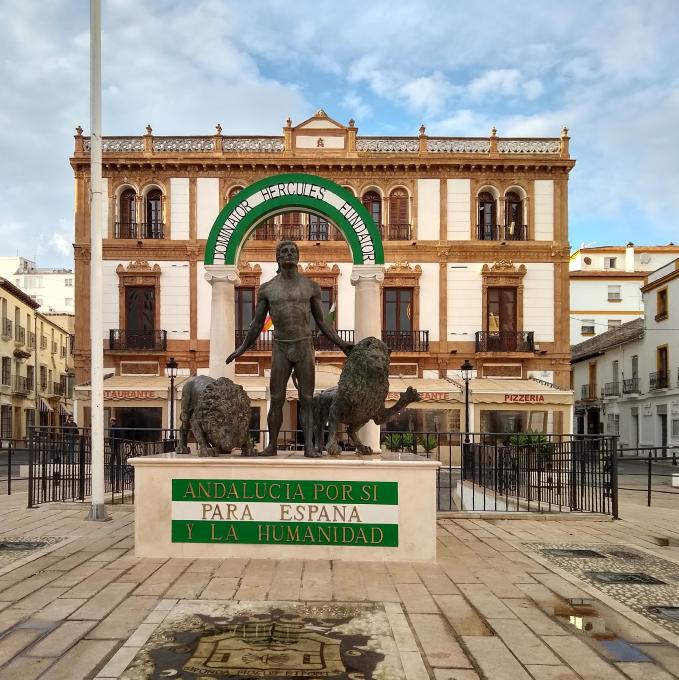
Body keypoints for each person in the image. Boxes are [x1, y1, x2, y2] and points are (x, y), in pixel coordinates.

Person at [226, 240, 352, 457]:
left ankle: (310, 446)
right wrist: (241, 349)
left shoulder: (311, 286)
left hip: (304, 345)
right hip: (281, 347)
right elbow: (256, 324)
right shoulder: (267, 289)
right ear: (278, 257)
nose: (289, 254)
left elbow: (322, 322)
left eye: (293, 251)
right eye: (284, 251)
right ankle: (272, 445)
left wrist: (342, 345)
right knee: (276, 398)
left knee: (307, 399)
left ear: (298, 256)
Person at [108, 416, 121, 491]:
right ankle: (112, 480)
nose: (110, 422)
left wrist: (113, 444)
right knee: (112, 464)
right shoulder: (113, 427)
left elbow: (117, 437)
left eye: (110, 420)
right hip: (114, 446)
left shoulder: (116, 428)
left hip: (115, 446)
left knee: (114, 463)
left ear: (113, 421)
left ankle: (115, 482)